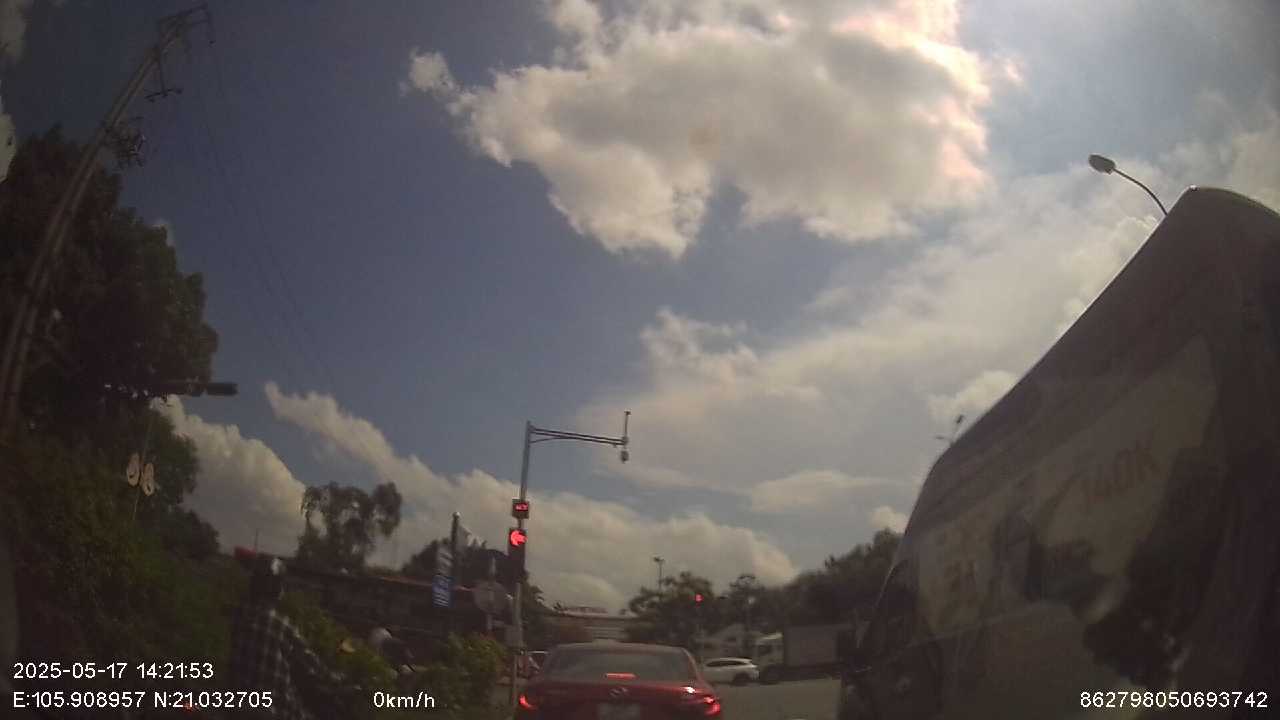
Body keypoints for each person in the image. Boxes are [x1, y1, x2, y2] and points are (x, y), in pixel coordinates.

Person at [230, 555, 340, 720]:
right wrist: (332, 677)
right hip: (274, 709)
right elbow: (310, 659)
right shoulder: (282, 625)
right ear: (277, 588)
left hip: (237, 705)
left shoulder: (239, 614)